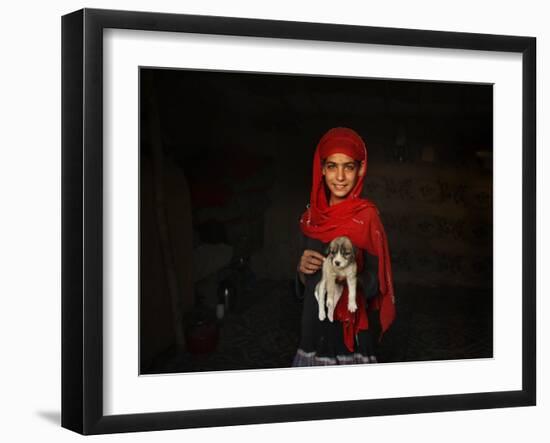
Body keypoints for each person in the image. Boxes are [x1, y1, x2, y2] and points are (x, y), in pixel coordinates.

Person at [292, 127, 395, 366]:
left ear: (360, 170)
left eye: (348, 167)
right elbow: (302, 284)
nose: (339, 177)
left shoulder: (367, 217)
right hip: (313, 329)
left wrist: (352, 281)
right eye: (332, 166)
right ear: (322, 170)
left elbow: (378, 281)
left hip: (352, 332)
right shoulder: (310, 219)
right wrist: (300, 270)